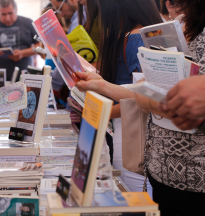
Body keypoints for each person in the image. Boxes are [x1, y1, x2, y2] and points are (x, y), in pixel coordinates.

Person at [76, 0, 205, 214]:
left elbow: (157, 99)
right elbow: (145, 93)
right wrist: (101, 85)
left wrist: (149, 98)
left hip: (195, 177)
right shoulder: (179, 25)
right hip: (161, 171)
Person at [76, 0, 162, 196]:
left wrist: (100, 112)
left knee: (132, 194)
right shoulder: (139, 34)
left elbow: (142, 99)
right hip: (131, 134)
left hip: (132, 136)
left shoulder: (134, 38)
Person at [0, 0, 40, 81]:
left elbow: (41, 46)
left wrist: (22, 53)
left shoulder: (28, 23)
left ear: (16, 10)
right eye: (3, 14)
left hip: (25, 78)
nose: (7, 18)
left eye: (10, 13)